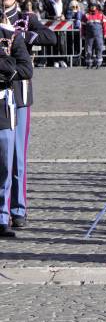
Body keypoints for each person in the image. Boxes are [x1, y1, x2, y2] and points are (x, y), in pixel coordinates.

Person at [1, 0, 57, 229]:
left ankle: (18, 207)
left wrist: (24, 37)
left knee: (17, 156)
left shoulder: (25, 18)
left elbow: (51, 37)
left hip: (20, 93)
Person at [0, 15, 33, 238]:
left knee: (6, 162)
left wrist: (4, 65)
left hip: (4, 105)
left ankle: (4, 216)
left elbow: (25, 68)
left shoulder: (10, 34)